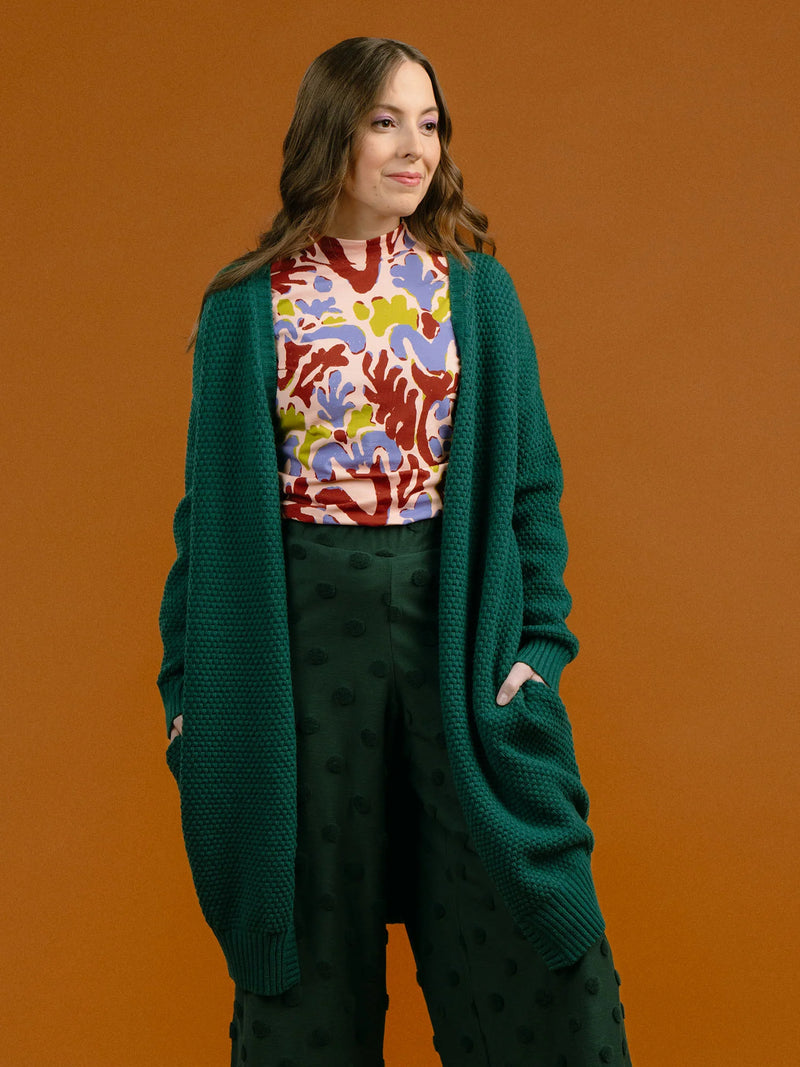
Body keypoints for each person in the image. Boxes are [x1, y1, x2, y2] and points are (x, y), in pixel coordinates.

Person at [157, 35, 632, 1067]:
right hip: (295, 651)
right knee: (307, 968)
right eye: (385, 122)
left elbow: (529, 492)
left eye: (428, 123)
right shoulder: (246, 305)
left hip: (448, 635)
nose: (415, 148)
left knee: (533, 940)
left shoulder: (477, 294)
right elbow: (209, 522)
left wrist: (537, 650)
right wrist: (188, 695)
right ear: (330, 134)